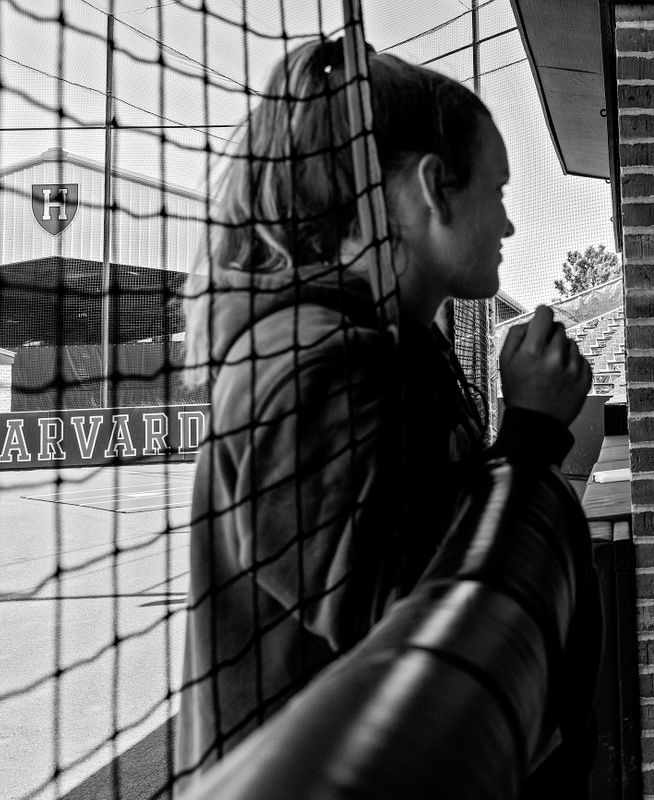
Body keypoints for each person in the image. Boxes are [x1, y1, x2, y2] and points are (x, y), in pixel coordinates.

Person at [176, 38, 594, 790]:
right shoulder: (310, 367)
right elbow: (417, 634)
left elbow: (439, 536)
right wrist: (531, 433)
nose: (505, 226)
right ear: (435, 188)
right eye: (495, 192)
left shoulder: (383, 342)